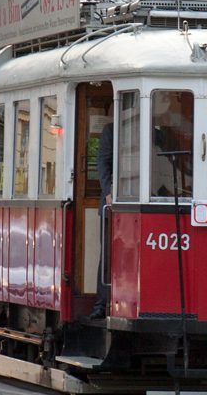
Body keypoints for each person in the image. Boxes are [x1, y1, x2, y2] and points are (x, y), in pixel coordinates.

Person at [89, 123, 113, 319]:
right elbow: (103, 163)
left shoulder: (160, 132)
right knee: (107, 255)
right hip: (112, 206)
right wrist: (108, 192)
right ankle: (101, 303)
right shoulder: (111, 130)